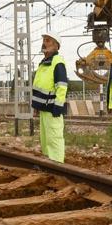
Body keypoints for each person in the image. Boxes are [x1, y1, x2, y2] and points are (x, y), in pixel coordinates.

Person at [31, 34, 69, 162]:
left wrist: (58, 106)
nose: (44, 43)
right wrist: (36, 106)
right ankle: (50, 164)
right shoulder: (44, 63)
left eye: (47, 41)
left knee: (54, 138)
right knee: (46, 139)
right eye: (43, 40)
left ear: (56, 45)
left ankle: (58, 165)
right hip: (44, 108)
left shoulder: (57, 62)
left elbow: (62, 86)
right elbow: (40, 86)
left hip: (53, 108)